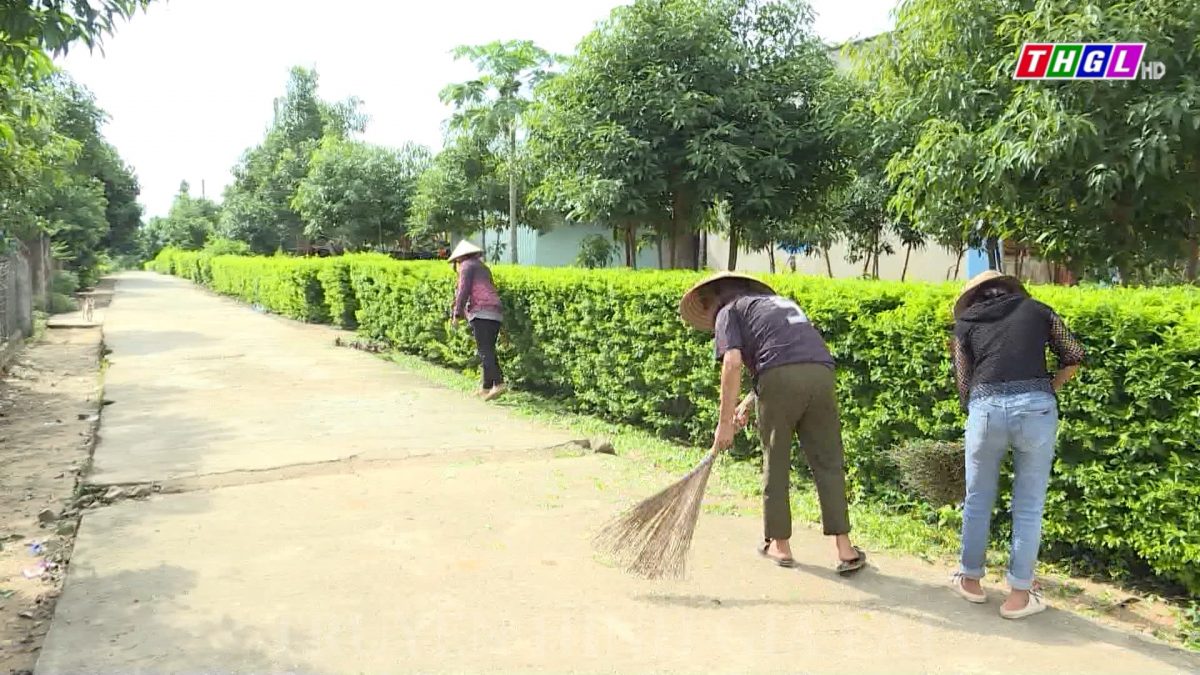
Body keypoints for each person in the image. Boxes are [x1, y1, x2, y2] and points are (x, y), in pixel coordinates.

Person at [679, 272, 866, 575]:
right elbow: (788, 356)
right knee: (829, 461)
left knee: (776, 459)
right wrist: (745, 404)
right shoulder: (773, 305)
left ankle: (780, 545)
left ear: (712, 300)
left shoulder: (728, 311)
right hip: (821, 373)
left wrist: (724, 423)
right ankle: (845, 549)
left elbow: (733, 363)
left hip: (780, 378)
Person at [950, 270, 1084, 619]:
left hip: (986, 409)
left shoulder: (965, 324)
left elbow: (964, 386)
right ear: (1011, 289)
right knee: (1028, 505)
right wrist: (1049, 386)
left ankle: (970, 581)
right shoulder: (1037, 310)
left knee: (977, 498)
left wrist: (981, 407)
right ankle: (1019, 597)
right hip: (1036, 408)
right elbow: (1074, 354)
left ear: (973, 298)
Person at [448, 240, 506, 401]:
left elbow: (463, 291)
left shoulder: (466, 266)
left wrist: (456, 314)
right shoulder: (483, 267)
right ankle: (486, 387)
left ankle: (499, 383)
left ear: (459, 258)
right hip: (495, 311)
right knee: (488, 350)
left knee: (484, 350)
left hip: (481, 311)